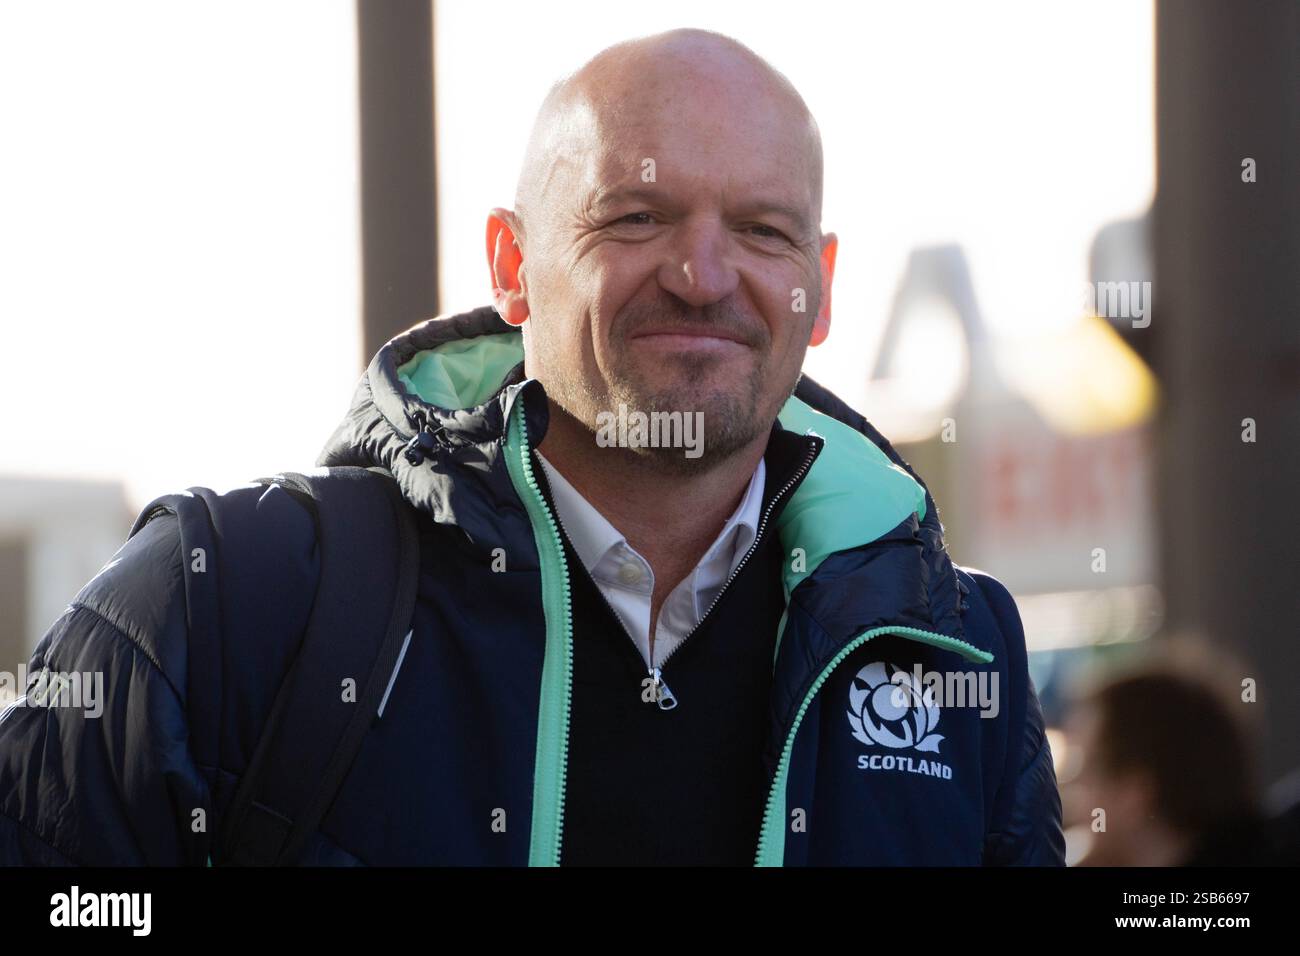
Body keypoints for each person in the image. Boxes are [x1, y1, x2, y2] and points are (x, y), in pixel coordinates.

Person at [0, 28, 1063, 866]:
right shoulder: (221, 603)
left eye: (762, 230)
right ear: (512, 263)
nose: (702, 273)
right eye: (637, 216)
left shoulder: (954, 652)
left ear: (817, 286)